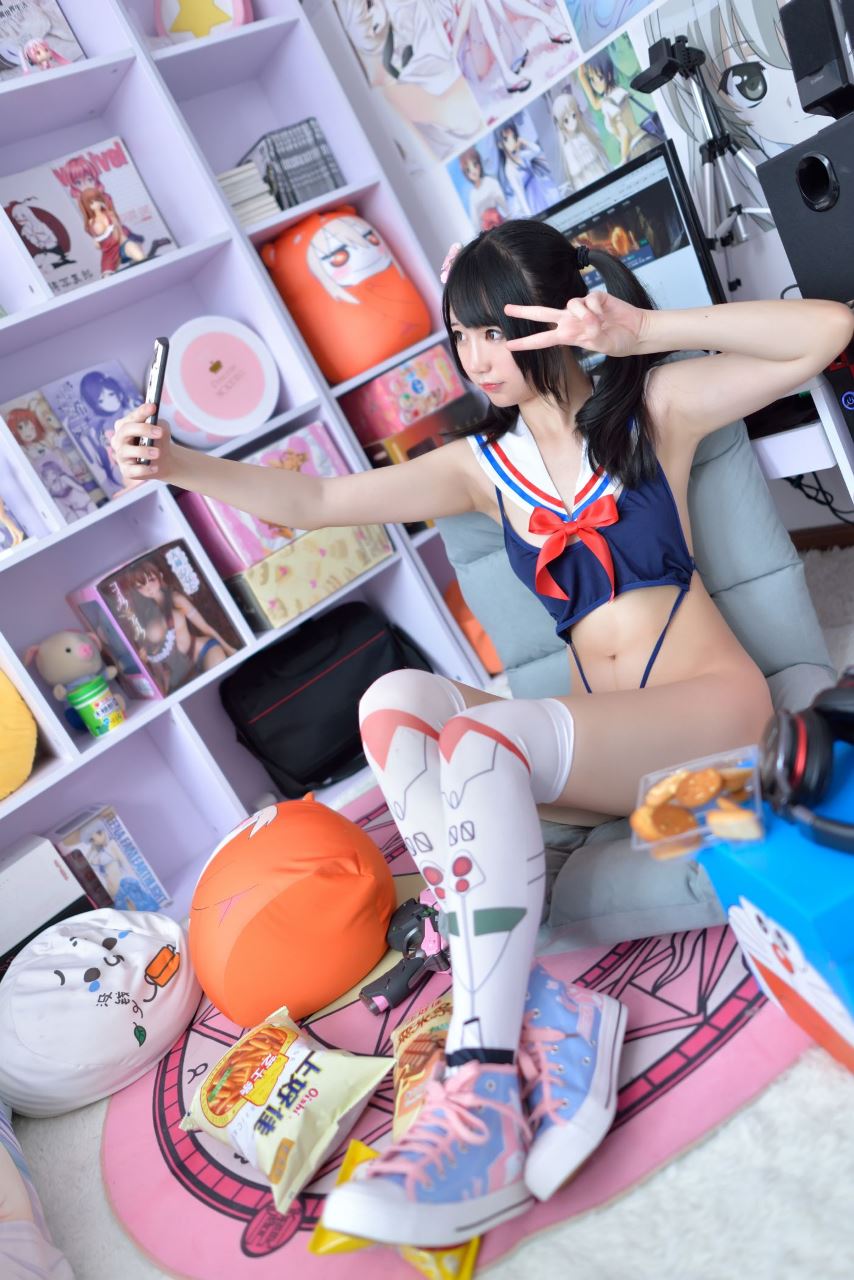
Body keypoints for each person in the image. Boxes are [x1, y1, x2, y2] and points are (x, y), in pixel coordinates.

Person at [110, 220, 853, 1246]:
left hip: (711, 710)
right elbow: (313, 499)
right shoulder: (481, 468)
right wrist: (180, 464)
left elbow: (826, 330)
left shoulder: (653, 408)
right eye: (459, 338)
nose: (473, 359)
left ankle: (482, 1084)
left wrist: (641, 332)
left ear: (551, 314)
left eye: (490, 333)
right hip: (601, 751)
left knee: (483, 746)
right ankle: (538, 1009)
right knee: (395, 703)